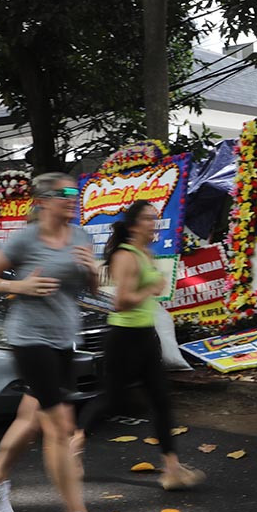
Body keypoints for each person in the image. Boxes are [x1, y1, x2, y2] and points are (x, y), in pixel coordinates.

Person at [0, 172, 114, 512]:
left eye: (75, 193)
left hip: (64, 338)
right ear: (43, 200)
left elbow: (89, 289)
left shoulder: (80, 235)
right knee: (60, 426)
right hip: (29, 338)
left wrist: (91, 273)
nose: (72, 198)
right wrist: (18, 286)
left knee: (29, 418)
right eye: (64, 193)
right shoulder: (24, 239)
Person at [72, 200, 204, 491]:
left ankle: (171, 469)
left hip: (146, 335)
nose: (152, 223)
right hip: (124, 338)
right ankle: (75, 446)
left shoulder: (146, 253)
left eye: (154, 218)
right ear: (133, 225)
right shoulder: (126, 255)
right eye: (146, 219)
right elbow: (120, 303)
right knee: (112, 400)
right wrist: (150, 288)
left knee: (161, 400)